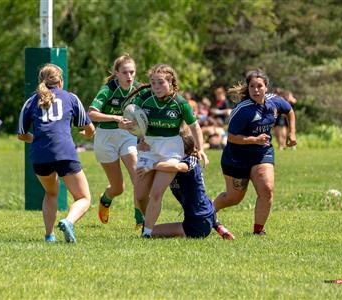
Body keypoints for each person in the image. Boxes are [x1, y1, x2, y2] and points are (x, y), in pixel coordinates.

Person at [125, 63, 209, 238]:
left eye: (161, 82)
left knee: (156, 193)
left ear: (171, 82)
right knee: (140, 196)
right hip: (148, 148)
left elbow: (194, 126)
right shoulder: (144, 99)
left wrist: (200, 149)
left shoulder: (180, 103)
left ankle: (147, 232)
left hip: (171, 151)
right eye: (153, 83)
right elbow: (131, 121)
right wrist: (134, 134)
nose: (156, 87)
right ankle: (148, 220)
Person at [17, 64, 95, 243]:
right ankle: (68, 222)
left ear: (40, 82)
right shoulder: (71, 97)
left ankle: (49, 235)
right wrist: (88, 134)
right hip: (64, 152)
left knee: (51, 192)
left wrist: (36, 139)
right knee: (83, 197)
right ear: (61, 81)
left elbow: (21, 134)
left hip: (40, 156)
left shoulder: (30, 101)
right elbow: (89, 128)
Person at [213, 69, 297, 235]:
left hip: (262, 153)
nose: (256, 89)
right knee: (233, 198)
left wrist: (292, 133)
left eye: (259, 86)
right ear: (248, 88)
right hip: (237, 157)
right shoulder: (243, 109)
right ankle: (206, 210)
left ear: (266, 87)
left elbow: (289, 111)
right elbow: (231, 137)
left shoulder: (274, 101)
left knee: (267, 188)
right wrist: (253, 139)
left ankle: (258, 231)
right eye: (252, 86)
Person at [136, 133, 234, 239]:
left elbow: (180, 167)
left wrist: (152, 165)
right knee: (200, 204)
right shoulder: (170, 164)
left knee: (149, 231)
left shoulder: (190, 159)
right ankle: (219, 227)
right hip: (208, 213)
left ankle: (208, 227)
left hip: (196, 224)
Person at [88, 54, 144, 228]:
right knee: (118, 187)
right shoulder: (108, 90)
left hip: (127, 136)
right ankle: (105, 199)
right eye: (125, 72)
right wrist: (115, 117)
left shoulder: (138, 90)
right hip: (105, 137)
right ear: (116, 73)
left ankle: (140, 219)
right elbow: (91, 113)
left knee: (138, 177)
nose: (129, 76)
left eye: (132, 72)